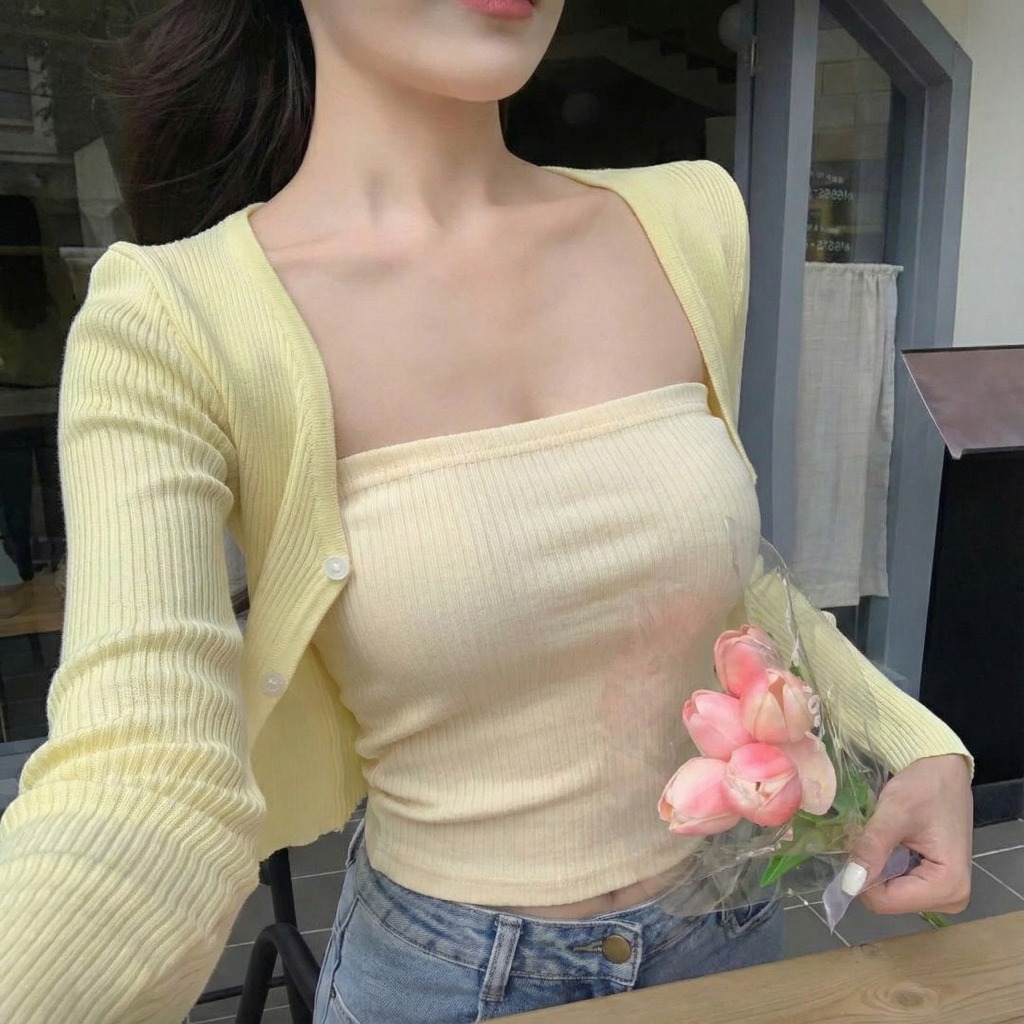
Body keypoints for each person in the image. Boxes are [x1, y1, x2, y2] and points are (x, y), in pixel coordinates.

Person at [0, 1, 973, 1021]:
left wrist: (910, 737)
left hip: (728, 935)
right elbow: (141, 781)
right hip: (445, 978)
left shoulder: (689, 222)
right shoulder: (169, 319)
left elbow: (720, 590)